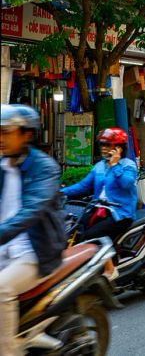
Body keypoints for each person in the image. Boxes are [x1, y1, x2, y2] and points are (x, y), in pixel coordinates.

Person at [0, 105, 65, 356]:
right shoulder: (4, 165)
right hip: (5, 247)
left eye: (6, 132)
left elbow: (30, 211)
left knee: (1, 289)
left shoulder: (44, 168)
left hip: (35, 250)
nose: (1, 138)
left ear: (26, 135)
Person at [63, 128, 138, 243]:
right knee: (75, 231)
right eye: (102, 144)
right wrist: (60, 192)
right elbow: (83, 186)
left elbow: (126, 184)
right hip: (97, 209)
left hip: (120, 213)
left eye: (107, 144)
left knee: (91, 237)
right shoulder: (99, 166)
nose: (103, 147)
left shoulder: (128, 165)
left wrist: (115, 165)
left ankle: (108, 260)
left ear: (119, 148)